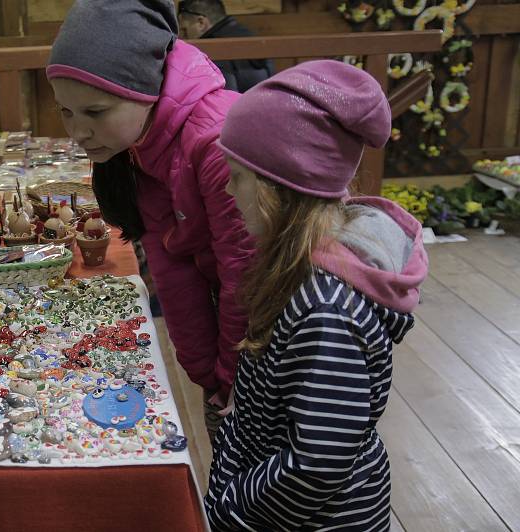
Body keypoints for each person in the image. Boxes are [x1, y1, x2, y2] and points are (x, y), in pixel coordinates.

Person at [204, 60, 428, 530]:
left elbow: (317, 464)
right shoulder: (302, 271)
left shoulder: (325, 310)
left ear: (275, 190)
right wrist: (249, 402)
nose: (227, 188)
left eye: (237, 175)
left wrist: (235, 510)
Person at [46, 0, 256, 439]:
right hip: (236, 330)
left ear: (144, 90)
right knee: (230, 465)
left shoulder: (216, 141)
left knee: (275, 480)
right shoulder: (143, 144)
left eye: (95, 112)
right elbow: (170, 260)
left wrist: (231, 374)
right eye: (66, 111)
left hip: (272, 332)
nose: (77, 132)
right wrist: (203, 369)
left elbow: (247, 276)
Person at [177, 0, 273, 92]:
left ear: (201, 23)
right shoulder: (247, 34)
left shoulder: (212, 49)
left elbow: (227, 97)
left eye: (185, 30)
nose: (183, 38)